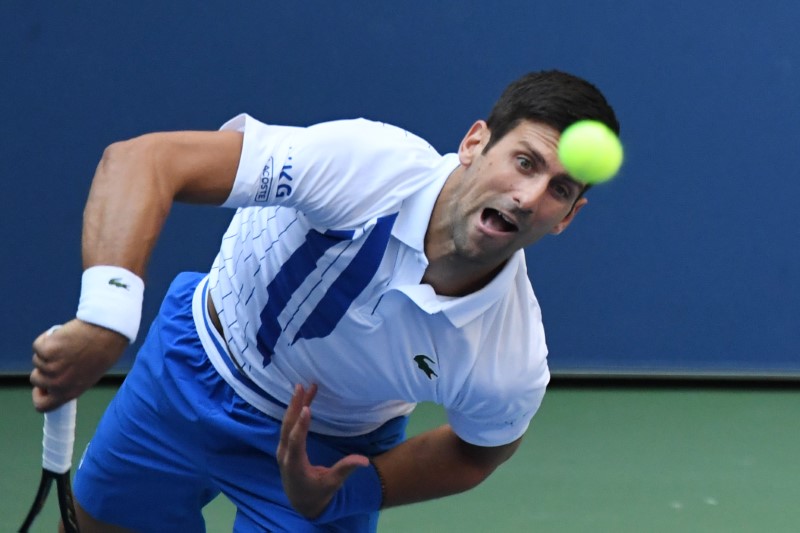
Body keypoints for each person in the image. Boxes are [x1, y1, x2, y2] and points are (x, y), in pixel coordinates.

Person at [30, 70, 620, 532]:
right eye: (525, 162)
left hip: (330, 445)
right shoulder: (366, 163)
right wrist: (106, 317)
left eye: (559, 190)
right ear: (474, 143)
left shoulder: (510, 355)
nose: (527, 196)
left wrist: (349, 490)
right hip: (194, 364)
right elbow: (146, 160)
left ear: (568, 217)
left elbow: (479, 452)